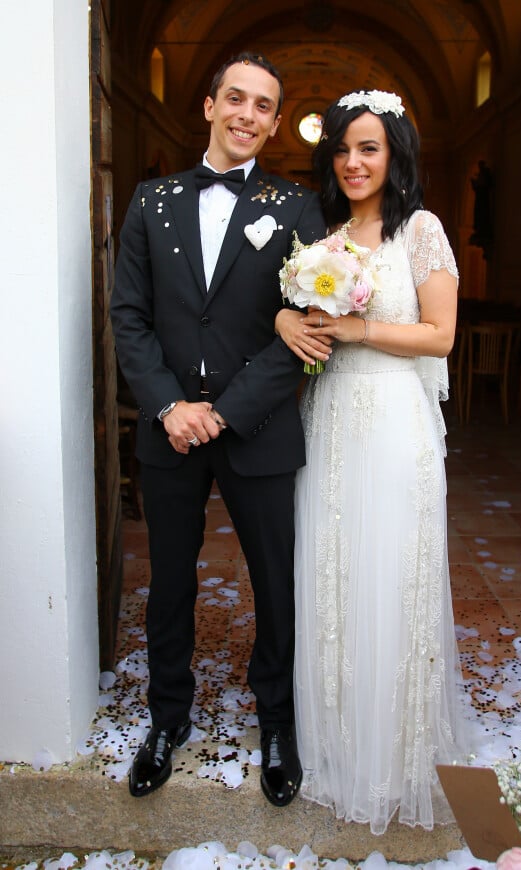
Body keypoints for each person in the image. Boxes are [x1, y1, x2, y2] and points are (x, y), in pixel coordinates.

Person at [110, 52, 326, 806]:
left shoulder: (298, 209)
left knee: (275, 582)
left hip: (255, 427)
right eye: (236, 98)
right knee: (168, 582)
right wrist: (172, 407)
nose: (248, 114)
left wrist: (224, 412)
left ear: (273, 122)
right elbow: (128, 317)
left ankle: (277, 724)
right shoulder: (150, 200)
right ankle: (166, 718)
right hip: (170, 429)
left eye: (264, 105)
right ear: (208, 106)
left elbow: (304, 333)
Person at [275, 89, 465, 833]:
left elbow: (441, 335)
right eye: (343, 150)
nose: (353, 163)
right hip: (329, 424)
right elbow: (296, 320)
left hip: (393, 422)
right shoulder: (321, 236)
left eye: (369, 148)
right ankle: (336, 739)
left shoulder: (421, 230)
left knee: (391, 571)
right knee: (336, 568)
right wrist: (297, 315)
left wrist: (356, 329)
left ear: (395, 154)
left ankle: (395, 750)